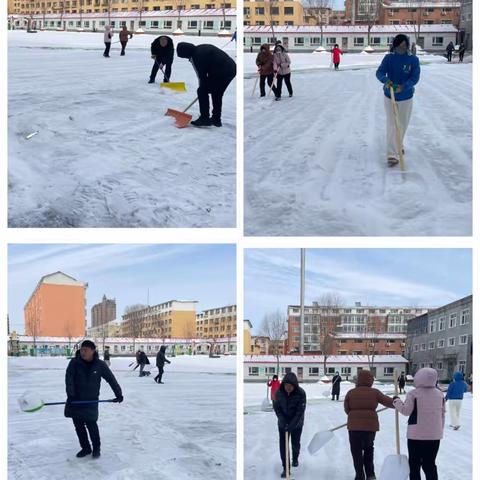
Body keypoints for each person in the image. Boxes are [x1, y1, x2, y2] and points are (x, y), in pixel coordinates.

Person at [64, 340, 123, 458]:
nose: (83, 352)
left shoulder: (100, 365)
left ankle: (96, 448)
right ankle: (85, 448)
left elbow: (111, 379)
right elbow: (69, 379)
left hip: (91, 401)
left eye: (85, 350)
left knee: (92, 426)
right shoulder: (74, 363)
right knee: (79, 427)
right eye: (81, 349)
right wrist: (71, 395)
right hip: (75, 400)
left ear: (92, 351)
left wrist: (118, 394)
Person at [376, 34, 420, 167]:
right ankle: (392, 154)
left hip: (406, 97)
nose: (401, 48)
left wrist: (404, 87)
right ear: (394, 46)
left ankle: (398, 144)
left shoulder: (413, 60)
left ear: (407, 45)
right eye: (399, 45)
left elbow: (415, 77)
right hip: (390, 96)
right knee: (392, 124)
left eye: (404, 45)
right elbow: (379, 72)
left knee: (402, 124)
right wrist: (386, 81)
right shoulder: (389, 58)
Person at [393, 368, 445, 480]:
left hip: (416, 436)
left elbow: (406, 411)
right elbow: (442, 415)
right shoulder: (440, 394)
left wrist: (397, 401)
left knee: (414, 464)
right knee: (429, 464)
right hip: (434, 436)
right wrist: (439, 430)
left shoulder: (414, 394)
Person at [344, 370, 395, 480]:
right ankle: (370, 475)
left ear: (358, 380)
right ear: (370, 380)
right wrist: (396, 401)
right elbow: (389, 402)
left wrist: (354, 416)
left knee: (356, 451)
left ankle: (359, 475)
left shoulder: (351, 392)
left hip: (354, 427)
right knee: (368, 449)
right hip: (370, 427)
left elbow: (347, 409)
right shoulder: (375, 392)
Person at [176, 42, 236, 127]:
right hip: (230, 69)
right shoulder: (200, 48)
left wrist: (202, 88)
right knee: (217, 93)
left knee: (202, 91)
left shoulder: (197, 56)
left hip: (222, 72)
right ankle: (216, 119)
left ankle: (205, 118)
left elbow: (202, 76)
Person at [273, 372, 306, 478]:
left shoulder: (301, 393)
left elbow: (300, 411)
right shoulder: (278, 393)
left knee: (295, 443)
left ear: (294, 385)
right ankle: (285, 468)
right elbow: (277, 408)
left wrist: (292, 425)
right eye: (286, 385)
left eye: (290, 386)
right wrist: (283, 421)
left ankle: (295, 458)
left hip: (297, 423)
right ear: (283, 384)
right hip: (283, 423)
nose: (288, 388)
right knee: (283, 445)